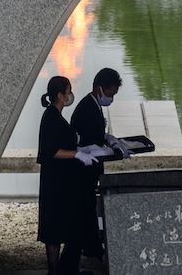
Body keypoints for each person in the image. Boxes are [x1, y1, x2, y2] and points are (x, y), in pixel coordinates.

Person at [37, 76, 98, 275]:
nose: (71, 94)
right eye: (68, 90)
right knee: (53, 227)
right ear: (60, 95)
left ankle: (62, 270)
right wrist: (77, 154)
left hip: (62, 181)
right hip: (54, 182)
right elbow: (51, 151)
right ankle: (55, 271)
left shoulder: (57, 116)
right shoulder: (50, 118)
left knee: (58, 225)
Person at [69, 68, 130, 261]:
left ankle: (91, 247)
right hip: (83, 170)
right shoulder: (87, 107)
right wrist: (110, 150)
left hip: (91, 169)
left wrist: (109, 139)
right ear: (99, 89)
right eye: (110, 93)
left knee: (88, 208)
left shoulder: (94, 105)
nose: (111, 98)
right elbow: (85, 142)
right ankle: (91, 249)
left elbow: (96, 134)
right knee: (86, 209)